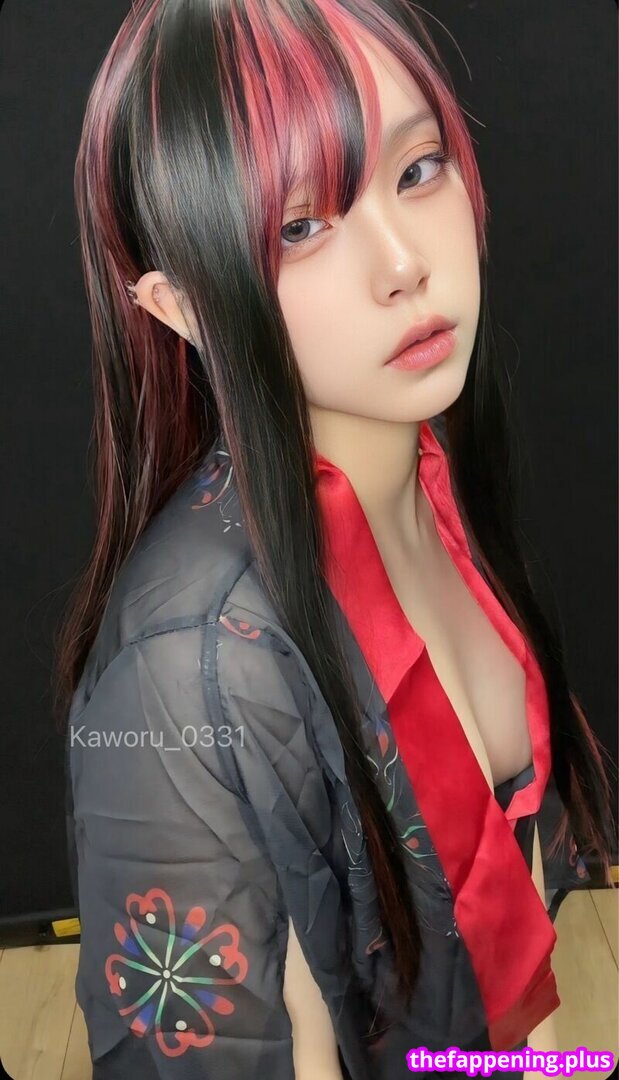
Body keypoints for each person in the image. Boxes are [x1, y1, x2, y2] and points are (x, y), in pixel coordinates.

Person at [55, 0, 615, 1077]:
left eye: (417, 169)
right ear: (181, 307)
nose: (403, 262)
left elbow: (514, 947)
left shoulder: (433, 477)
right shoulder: (183, 676)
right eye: (298, 228)